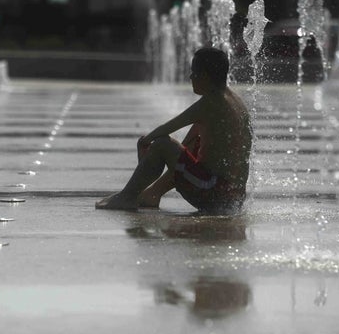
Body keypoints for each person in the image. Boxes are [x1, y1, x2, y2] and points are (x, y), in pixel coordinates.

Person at [96, 46, 252, 213]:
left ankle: (127, 197)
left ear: (205, 76)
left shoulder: (211, 102)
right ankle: (152, 194)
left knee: (162, 144)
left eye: (193, 72)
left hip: (214, 195)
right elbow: (182, 155)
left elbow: (168, 128)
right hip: (232, 198)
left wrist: (145, 142)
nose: (190, 76)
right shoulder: (235, 101)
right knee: (193, 139)